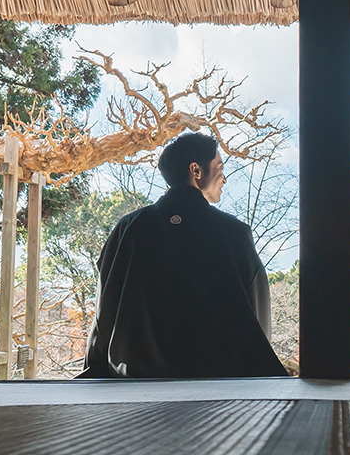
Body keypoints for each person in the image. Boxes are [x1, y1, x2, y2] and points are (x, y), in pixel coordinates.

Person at [79, 132, 287, 378]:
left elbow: (105, 309)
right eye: (219, 168)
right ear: (196, 171)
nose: (225, 179)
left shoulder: (129, 228)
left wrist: (95, 366)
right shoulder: (233, 232)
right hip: (216, 386)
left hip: (135, 383)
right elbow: (257, 320)